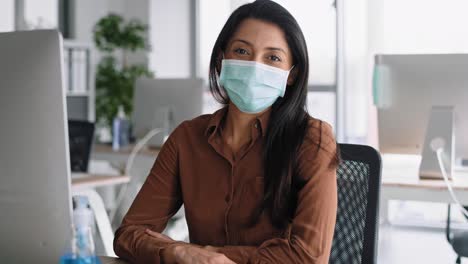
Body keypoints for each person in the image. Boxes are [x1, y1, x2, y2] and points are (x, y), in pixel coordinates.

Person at [114, 1, 339, 263]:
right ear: (222, 60)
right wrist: (176, 251)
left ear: (291, 75)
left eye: (273, 57)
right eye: (242, 51)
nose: (254, 66)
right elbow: (129, 234)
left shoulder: (313, 139)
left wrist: (210, 256)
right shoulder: (186, 139)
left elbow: (308, 258)